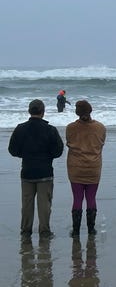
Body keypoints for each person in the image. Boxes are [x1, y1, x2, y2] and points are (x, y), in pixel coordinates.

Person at [8, 99, 64, 237]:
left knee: (27, 204)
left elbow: (12, 150)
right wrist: (48, 155)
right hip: (45, 171)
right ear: (43, 112)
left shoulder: (20, 128)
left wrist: (24, 154)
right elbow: (58, 151)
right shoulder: (50, 130)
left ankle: (26, 231)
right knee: (44, 204)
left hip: (27, 171)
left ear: (29, 111)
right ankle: (44, 231)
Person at [66, 100, 106, 237]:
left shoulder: (70, 128)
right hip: (93, 167)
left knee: (77, 198)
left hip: (75, 167)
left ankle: (76, 230)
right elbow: (101, 144)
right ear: (90, 111)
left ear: (77, 112)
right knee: (91, 197)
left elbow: (69, 143)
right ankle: (91, 229)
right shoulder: (100, 127)